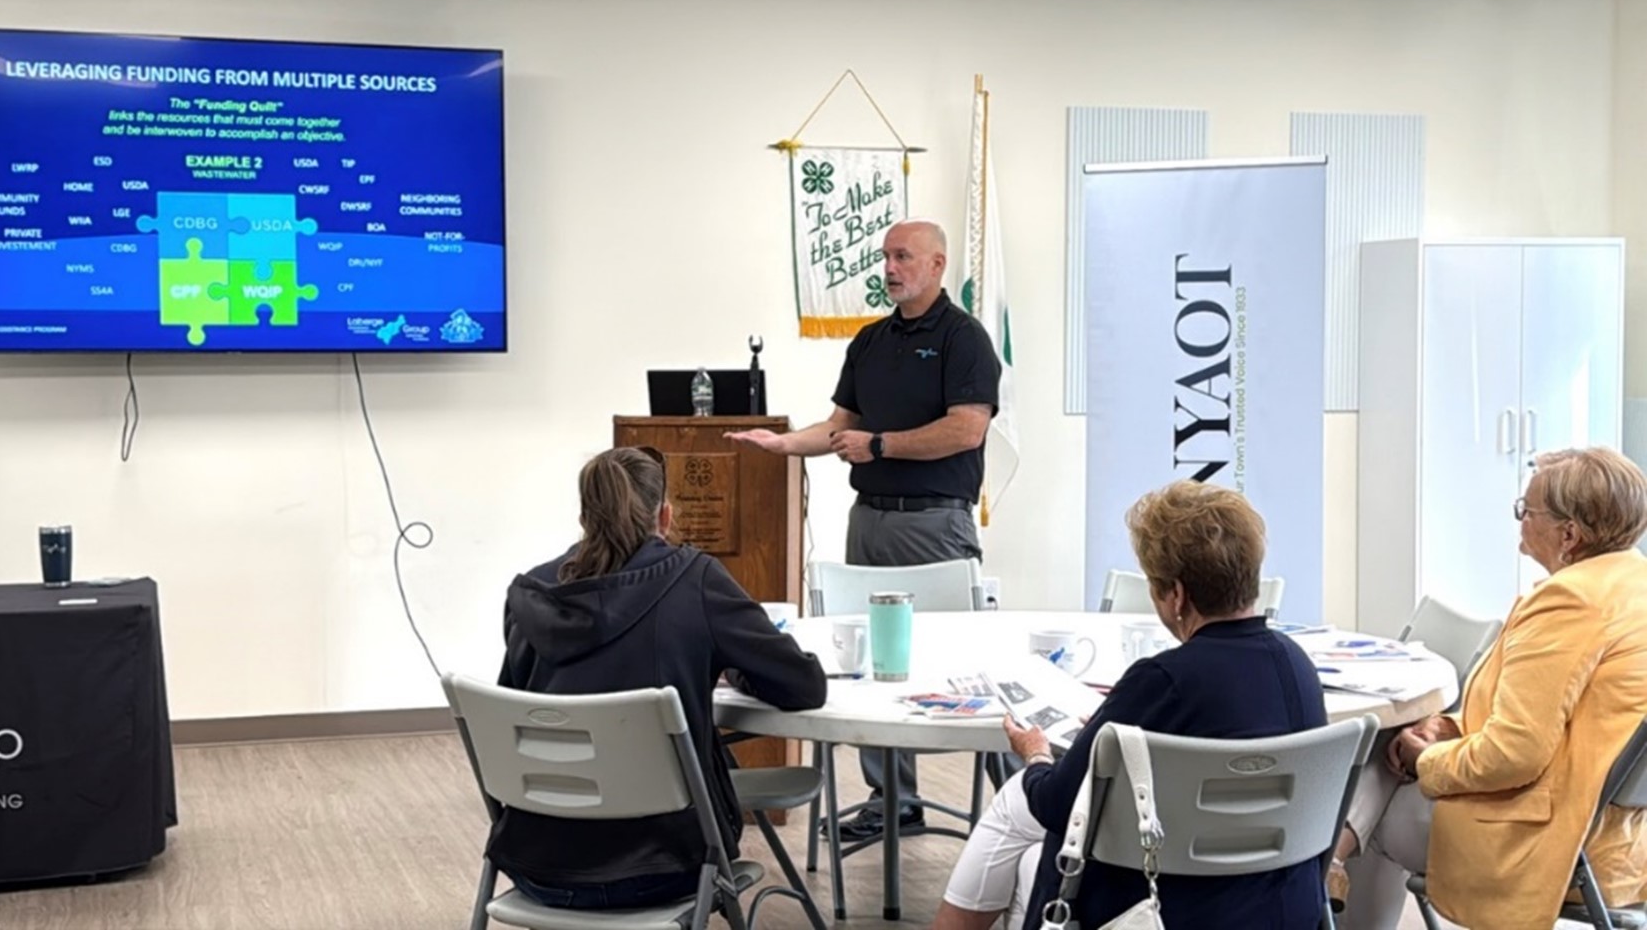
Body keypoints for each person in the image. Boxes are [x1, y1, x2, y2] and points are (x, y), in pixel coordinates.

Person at [932, 480, 1329, 930]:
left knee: (1019, 800)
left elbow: (1058, 806)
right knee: (1027, 861)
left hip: (1165, 909)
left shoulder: (1163, 680)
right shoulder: (1297, 666)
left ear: (1176, 595)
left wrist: (1037, 755)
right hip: (1281, 907)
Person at [727, 218, 1002, 840]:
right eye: (885, 257)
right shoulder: (871, 342)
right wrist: (783, 444)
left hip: (934, 524)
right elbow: (838, 426)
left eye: (903, 257)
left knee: (966, 658)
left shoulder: (965, 339)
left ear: (937, 264)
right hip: (869, 522)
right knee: (875, 664)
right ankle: (893, 801)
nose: (890, 268)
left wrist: (880, 445)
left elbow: (966, 430)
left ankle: (1020, 799)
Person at [487, 445, 828, 910]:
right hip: (666, 868)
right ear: (664, 517)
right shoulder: (696, 580)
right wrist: (735, 669)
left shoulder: (530, 594)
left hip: (538, 867)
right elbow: (804, 686)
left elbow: (513, 721)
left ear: (586, 517)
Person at [1333, 446, 1647, 930]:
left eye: (1527, 510)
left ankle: (1327, 869)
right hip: (1619, 841)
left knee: (1371, 789)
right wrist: (1446, 728)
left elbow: (1516, 754)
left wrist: (1425, 759)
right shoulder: (1631, 581)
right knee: (1385, 761)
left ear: (1569, 535)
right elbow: (1557, 720)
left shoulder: (1570, 601)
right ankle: (1328, 867)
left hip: (1548, 837)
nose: (1520, 519)